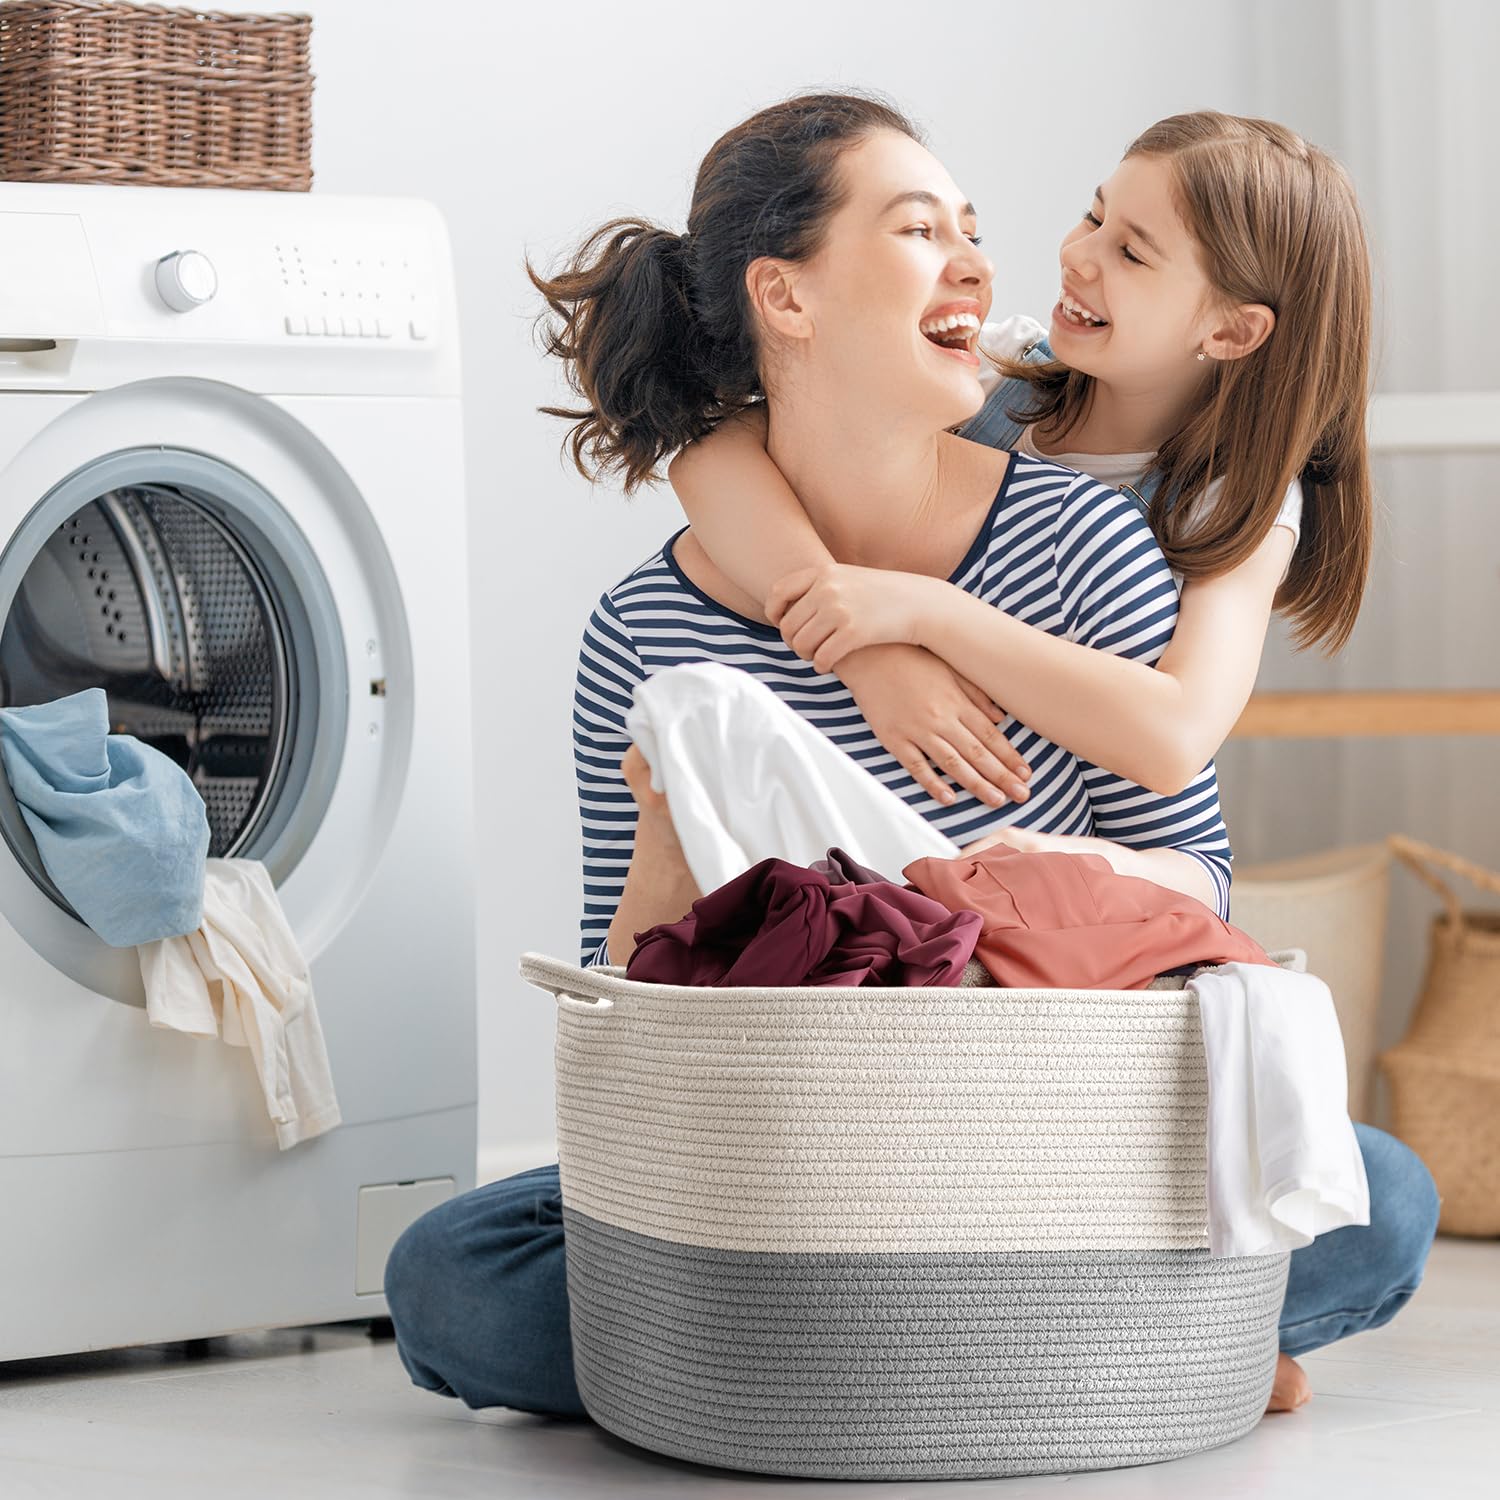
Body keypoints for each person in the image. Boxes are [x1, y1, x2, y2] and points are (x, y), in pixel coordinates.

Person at [384, 92, 1435, 1426]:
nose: (1006, 264)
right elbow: (625, 1019)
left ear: (1234, 329)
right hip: (781, 1162)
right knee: (449, 1277)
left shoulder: (1118, 540)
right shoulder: (648, 630)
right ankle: (1102, 1357)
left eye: (972, 229)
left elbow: (1191, 846)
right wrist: (822, 682)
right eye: (923, 229)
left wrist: (987, 871)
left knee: (1381, 1196)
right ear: (786, 297)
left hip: (1040, 1140)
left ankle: (829, 1376)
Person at [667, 110, 1375, 808]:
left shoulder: (1236, 497)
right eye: (1094, 218)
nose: (1077, 254)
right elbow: (711, 455)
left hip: (1056, 806)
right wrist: (865, 653)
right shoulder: (1004, 374)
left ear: (1230, 329)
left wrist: (928, 614)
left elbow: (1176, 737)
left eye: (1131, 252)